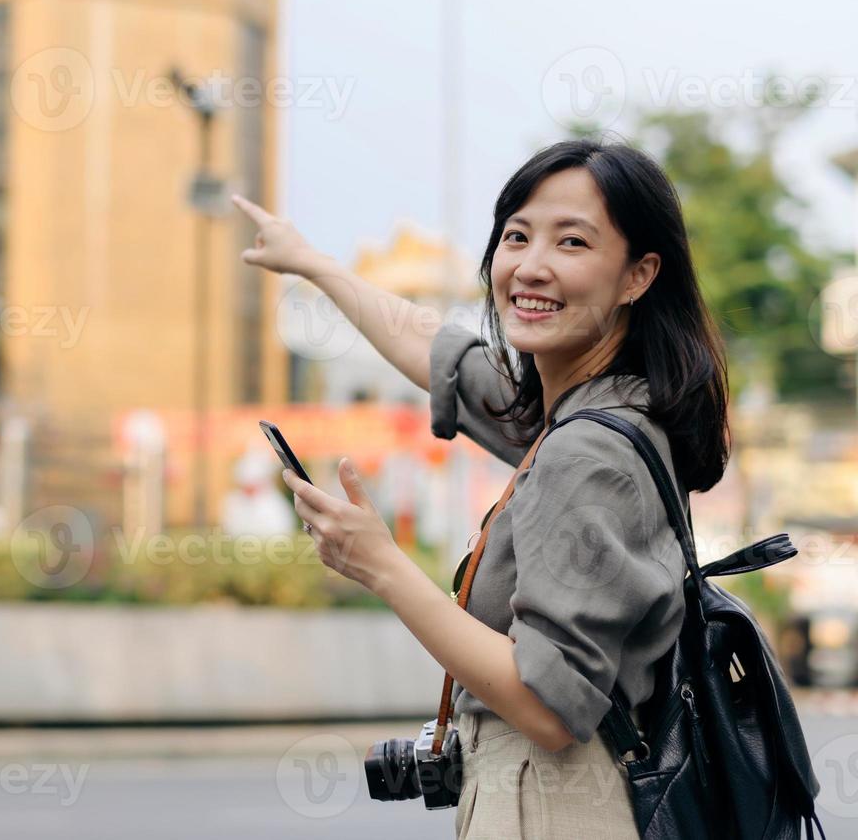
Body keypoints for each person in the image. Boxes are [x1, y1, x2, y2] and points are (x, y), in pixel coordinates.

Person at [233, 139, 729, 839]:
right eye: (517, 236)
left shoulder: (588, 449)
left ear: (637, 275)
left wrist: (380, 565)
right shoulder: (590, 412)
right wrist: (315, 264)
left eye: (573, 242)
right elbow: (447, 360)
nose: (531, 266)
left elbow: (548, 706)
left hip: (556, 808)